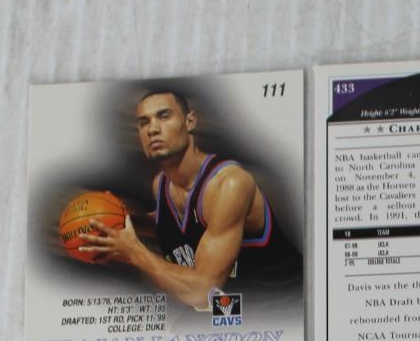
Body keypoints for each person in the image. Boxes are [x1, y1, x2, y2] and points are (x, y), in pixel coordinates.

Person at [76, 88, 293, 311]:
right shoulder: (161, 184)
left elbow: (203, 293)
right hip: (229, 308)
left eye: (164, 116)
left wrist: (134, 251)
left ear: (190, 122)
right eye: (143, 123)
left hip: (280, 307)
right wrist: (122, 223)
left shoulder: (229, 184)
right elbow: (183, 224)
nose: (152, 129)